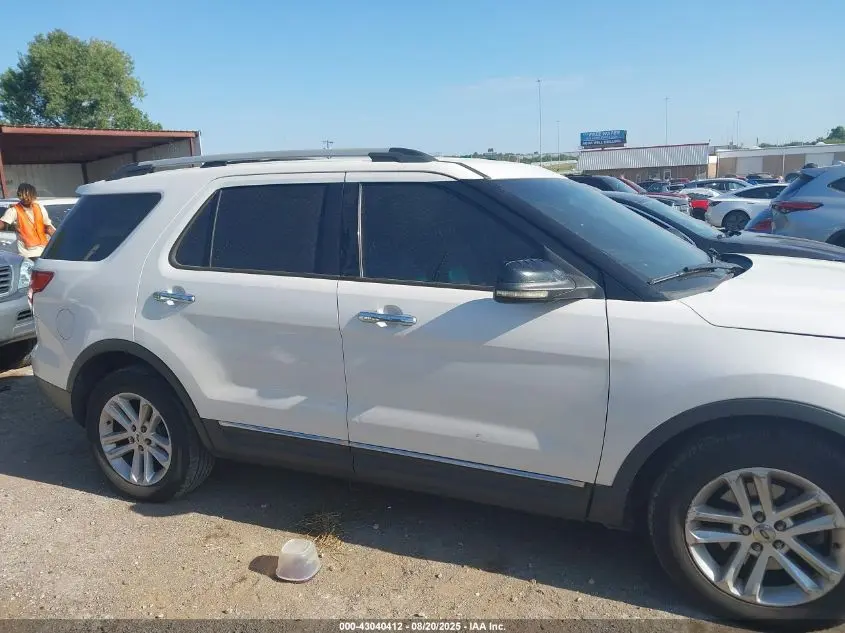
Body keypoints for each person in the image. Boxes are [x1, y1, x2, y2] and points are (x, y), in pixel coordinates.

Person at [0, 183, 56, 260]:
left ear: (34, 196)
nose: (25, 198)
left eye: (28, 196)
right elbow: (2, 224)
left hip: (44, 252)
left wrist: (59, 241)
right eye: (22, 195)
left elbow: (49, 228)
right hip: (27, 255)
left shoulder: (40, 207)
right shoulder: (14, 211)